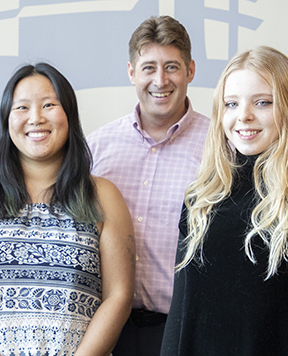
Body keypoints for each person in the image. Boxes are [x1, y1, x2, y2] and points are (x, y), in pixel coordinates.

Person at [161, 47, 288, 355]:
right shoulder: (201, 197)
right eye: (231, 103)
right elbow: (178, 321)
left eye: (263, 102)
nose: (244, 115)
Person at [0, 63, 135, 356]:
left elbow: (118, 296)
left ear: (69, 114)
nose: (36, 118)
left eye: (49, 105)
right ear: (6, 118)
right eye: (22, 108)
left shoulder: (103, 196)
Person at [85, 16, 208, 356]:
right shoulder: (96, 148)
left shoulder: (220, 149)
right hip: (105, 331)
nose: (160, 80)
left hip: (182, 330)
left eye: (172, 67)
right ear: (131, 73)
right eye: (149, 67)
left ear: (191, 71)